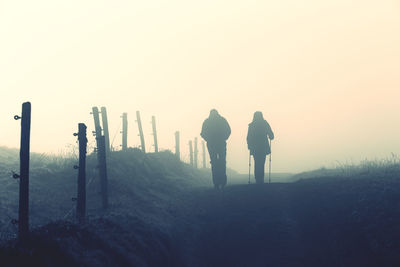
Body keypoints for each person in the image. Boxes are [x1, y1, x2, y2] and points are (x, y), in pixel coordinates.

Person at [201, 109, 231, 189]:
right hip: (221, 143)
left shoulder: (207, 122)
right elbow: (228, 130)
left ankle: (216, 182)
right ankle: (223, 181)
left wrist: (208, 139)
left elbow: (203, 133)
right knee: (222, 161)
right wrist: (224, 138)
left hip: (211, 144)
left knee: (214, 163)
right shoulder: (222, 120)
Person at [247, 111, 274, 184]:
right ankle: (261, 178)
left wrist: (249, 146)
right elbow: (271, 134)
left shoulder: (252, 125)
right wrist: (271, 137)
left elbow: (248, 137)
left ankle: (257, 179)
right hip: (263, 147)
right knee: (262, 162)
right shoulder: (264, 124)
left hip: (255, 147)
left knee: (257, 162)